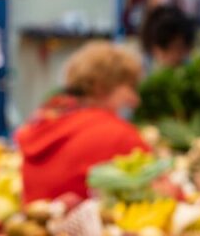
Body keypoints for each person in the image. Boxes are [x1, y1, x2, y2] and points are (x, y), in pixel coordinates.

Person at [16, 42, 149, 203]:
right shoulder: (117, 134)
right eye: (130, 87)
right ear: (101, 87)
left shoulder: (43, 121)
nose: (136, 100)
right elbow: (158, 187)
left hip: (34, 222)